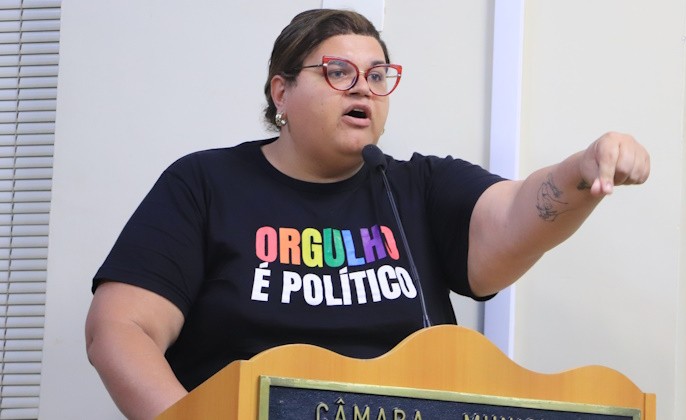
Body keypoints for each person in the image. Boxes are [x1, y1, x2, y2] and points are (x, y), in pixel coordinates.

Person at [85, 8, 650, 420]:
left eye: (378, 76)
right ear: (281, 93)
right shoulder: (206, 183)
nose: (364, 89)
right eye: (338, 72)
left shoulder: (419, 187)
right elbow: (120, 329)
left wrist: (582, 171)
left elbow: (515, 213)